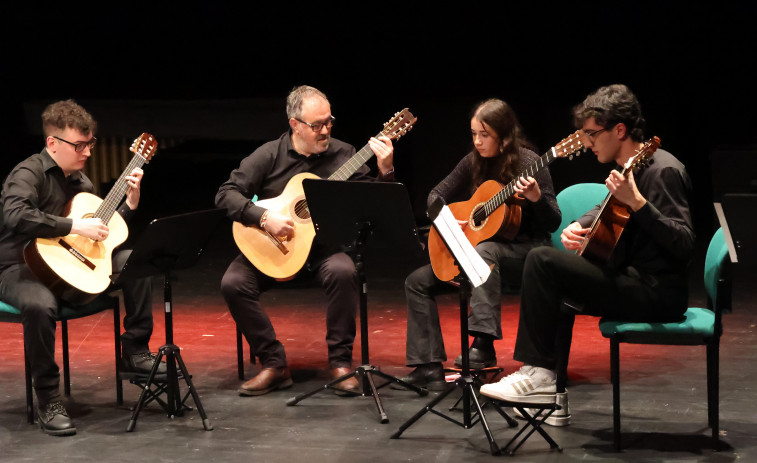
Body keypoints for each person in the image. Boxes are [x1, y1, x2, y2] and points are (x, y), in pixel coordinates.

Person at [480, 84, 695, 427]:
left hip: (658, 292)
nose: (589, 142)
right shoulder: (630, 168)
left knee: (541, 259)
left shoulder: (662, 170)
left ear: (620, 130)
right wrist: (577, 226)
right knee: (556, 276)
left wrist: (639, 203)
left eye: (593, 134)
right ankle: (550, 388)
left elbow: (684, 243)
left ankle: (541, 377)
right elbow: (602, 207)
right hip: (629, 279)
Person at [216, 85, 395, 397]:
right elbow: (226, 194)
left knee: (343, 272)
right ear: (295, 125)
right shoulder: (269, 155)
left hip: (324, 250)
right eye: (317, 125)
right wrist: (263, 217)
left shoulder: (345, 155)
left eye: (329, 122)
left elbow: (373, 204)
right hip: (274, 247)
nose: (325, 130)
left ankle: (340, 364)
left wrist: (386, 170)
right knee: (233, 283)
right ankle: (274, 364)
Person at [0, 100, 162, 436]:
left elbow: (104, 232)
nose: (87, 152)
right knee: (39, 304)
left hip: (69, 265)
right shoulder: (27, 174)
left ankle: (135, 348)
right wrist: (72, 226)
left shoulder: (82, 184)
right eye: (80, 145)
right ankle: (48, 398)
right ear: (53, 144)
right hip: (18, 267)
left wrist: (130, 204)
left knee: (136, 261)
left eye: (90, 144)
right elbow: (16, 216)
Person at [396, 99, 561, 390]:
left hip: (526, 252)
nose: (477, 141)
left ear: (504, 135)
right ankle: (428, 367)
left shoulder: (529, 162)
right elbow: (435, 195)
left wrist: (536, 199)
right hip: (480, 255)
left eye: (484, 135)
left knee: (486, 251)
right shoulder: (474, 160)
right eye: (473, 134)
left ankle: (483, 344)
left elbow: (553, 221)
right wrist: (448, 221)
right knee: (416, 281)